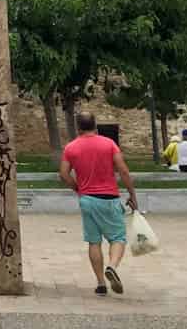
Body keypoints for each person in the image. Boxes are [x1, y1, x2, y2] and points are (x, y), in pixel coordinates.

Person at [59, 111, 139, 297]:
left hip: (87, 199)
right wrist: (132, 194)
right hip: (109, 198)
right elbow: (123, 171)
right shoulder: (109, 144)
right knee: (117, 238)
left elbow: (63, 174)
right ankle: (112, 267)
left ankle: (101, 283)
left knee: (93, 241)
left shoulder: (71, 147)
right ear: (95, 125)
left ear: (78, 127)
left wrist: (78, 188)